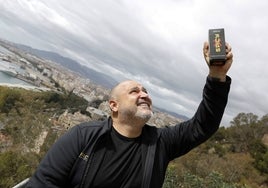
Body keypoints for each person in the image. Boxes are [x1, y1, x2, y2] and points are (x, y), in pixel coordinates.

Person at [26, 41, 233, 188]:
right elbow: (43, 182)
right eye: (134, 91)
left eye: (146, 91)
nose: (144, 95)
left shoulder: (160, 143)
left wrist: (217, 77)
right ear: (114, 105)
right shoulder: (83, 136)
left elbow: (203, 125)